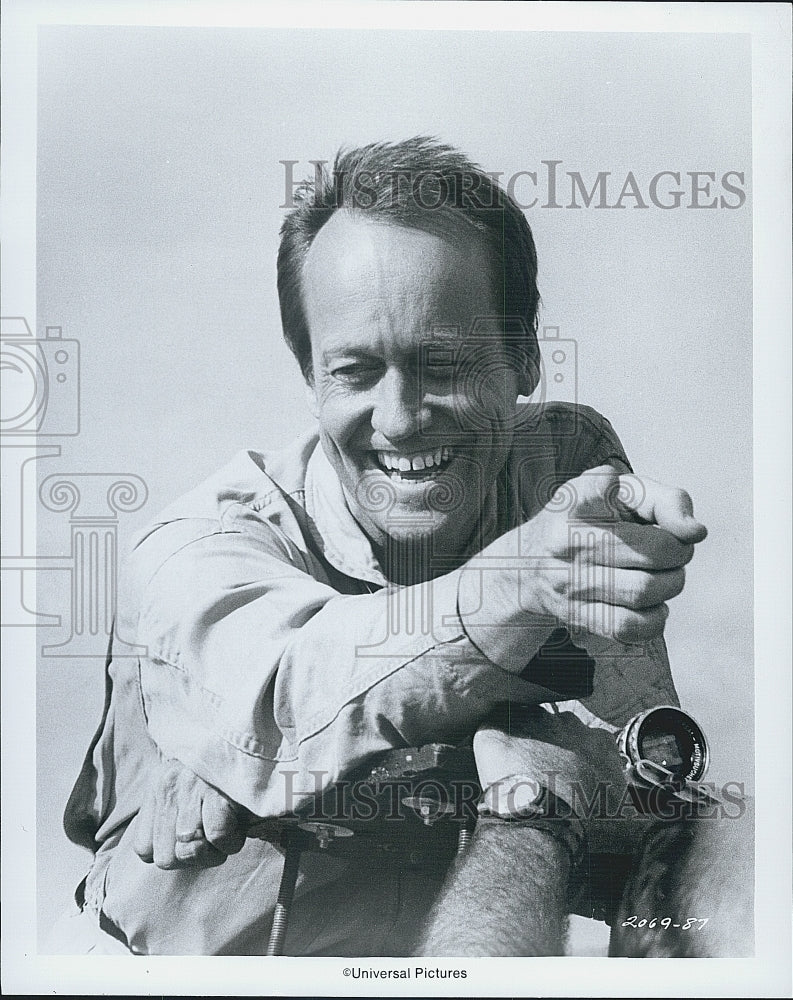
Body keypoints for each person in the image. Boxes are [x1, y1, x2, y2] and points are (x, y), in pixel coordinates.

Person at [57, 138, 746, 957]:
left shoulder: (558, 469)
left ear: (524, 358)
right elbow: (289, 692)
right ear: (308, 374)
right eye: (354, 372)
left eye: (442, 364)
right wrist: (514, 592)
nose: (399, 417)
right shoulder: (194, 551)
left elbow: (637, 782)